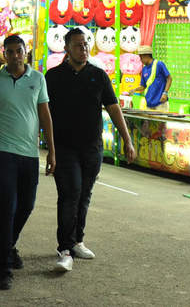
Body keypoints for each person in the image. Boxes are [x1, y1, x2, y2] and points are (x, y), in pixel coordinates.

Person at [45, 27, 136, 272]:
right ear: (66, 48)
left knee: (84, 195)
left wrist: (127, 140)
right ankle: (64, 248)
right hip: (64, 148)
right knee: (70, 194)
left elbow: (114, 107)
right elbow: (43, 112)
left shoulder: (98, 75)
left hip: (91, 148)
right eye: (77, 45)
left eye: (85, 44)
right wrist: (46, 148)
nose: (83, 49)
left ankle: (77, 241)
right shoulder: (53, 77)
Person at [0, 35, 56, 291]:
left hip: (30, 154)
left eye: (18, 51)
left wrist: (52, 150)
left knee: (27, 205)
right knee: (8, 204)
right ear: (4, 55)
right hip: (3, 151)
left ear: (25, 52)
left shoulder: (38, 79)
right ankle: (4, 267)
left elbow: (45, 115)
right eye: (9, 52)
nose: (15, 55)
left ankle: (8, 246)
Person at [135, 45, 171, 111]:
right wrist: (133, 90)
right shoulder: (144, 69)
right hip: (149, 104)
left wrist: (165, 93)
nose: (141, 60)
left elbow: (169, 78)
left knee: (160, 121)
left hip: (160, 103)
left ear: (147, 56)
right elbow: (143, 86)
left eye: (141, 57)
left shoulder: (159, 64)